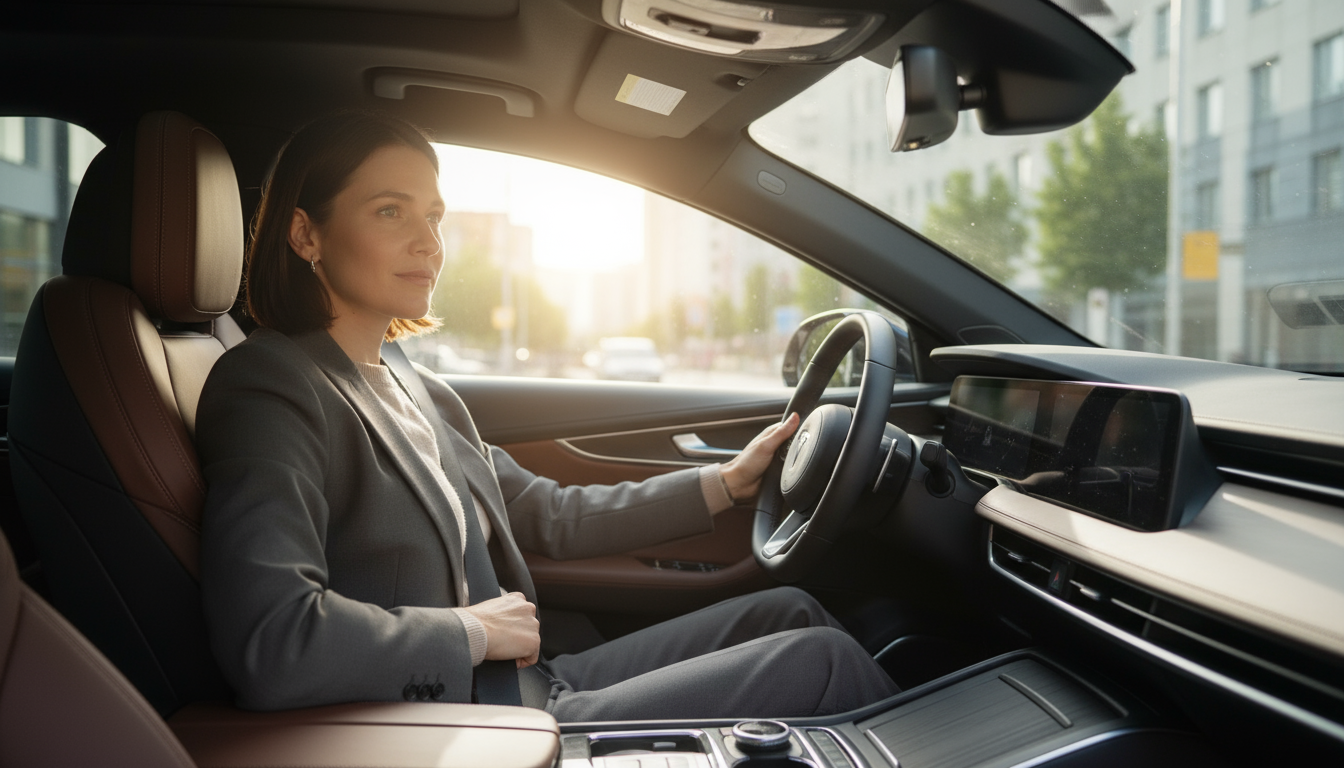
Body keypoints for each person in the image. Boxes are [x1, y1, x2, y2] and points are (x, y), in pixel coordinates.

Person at [196, 111, 899, 721]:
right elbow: (272, 641)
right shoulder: (271, 385)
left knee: (792, 612)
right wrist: (469, 632)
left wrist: (727, 483)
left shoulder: (417, 385)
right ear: (304, 234)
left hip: (526, 681)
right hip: (462, 723)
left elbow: (548, 512)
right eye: (390, 211)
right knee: (824, 662)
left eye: (433, 216)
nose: (429, 242)